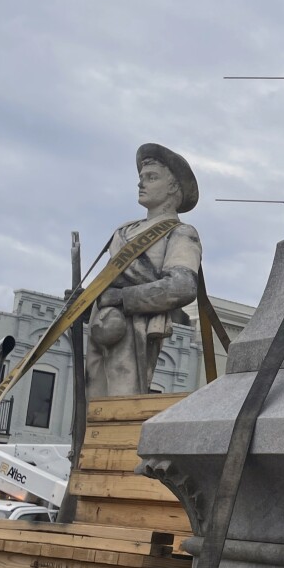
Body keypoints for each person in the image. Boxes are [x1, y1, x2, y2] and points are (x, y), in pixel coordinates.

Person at [85, 143, 202, 397]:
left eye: (151, 177)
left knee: (120, 404)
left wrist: (124, 298)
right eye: (141, 178)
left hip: (134, 331)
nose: (141, 183)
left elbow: (182, 286)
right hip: (101, 326)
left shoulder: (180, 233)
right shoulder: (123, 232)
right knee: (90, 404)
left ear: (173, 187)